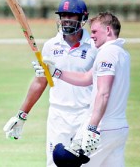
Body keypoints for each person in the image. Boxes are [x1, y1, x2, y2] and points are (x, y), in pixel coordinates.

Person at [3, 0, 97, 166]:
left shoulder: (94, 46)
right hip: (58, 116)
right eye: (63, 15)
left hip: (86, 115)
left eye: (71, 15)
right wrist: (21, 115)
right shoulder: (50, 46)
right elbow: (40, 82)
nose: (66, 20)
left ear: (83, 18)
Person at [48, 12, 130, 166]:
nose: (91, 36)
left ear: (108, 30)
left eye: (94, 32)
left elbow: (103, 93)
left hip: (102, 128)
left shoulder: (107, 53)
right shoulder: (122, 53)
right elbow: (86, 78)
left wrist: (92, 128)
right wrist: (56, 72)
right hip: (119, 128)